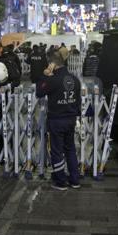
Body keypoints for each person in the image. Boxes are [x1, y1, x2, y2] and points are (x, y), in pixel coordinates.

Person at [36, 47, 82, 190]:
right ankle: (75, 180)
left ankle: (60, 181)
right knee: (70, 149)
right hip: (71, 119)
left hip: (56, 119)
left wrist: (45, 75)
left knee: (56, 151)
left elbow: (39, 92)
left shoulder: (52, 80)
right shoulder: (75, 79)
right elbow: (78, 101)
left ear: (52, 64)